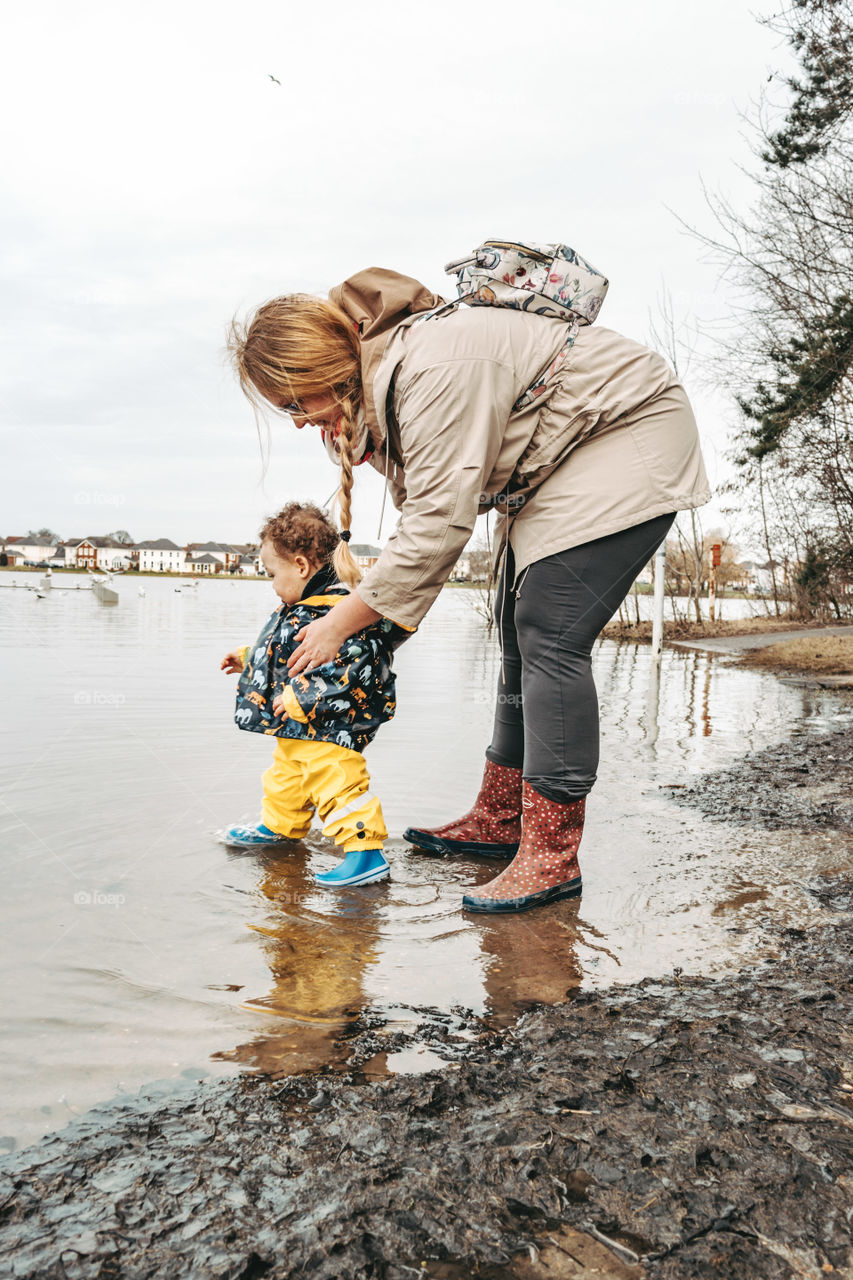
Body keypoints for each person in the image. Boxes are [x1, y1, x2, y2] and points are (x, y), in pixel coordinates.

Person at [227, 255, 710, 913]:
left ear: (322, 368)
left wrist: (343, 622)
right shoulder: (388, 377)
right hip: (557, 463)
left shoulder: (430, 367)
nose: (295, 421)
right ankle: (499, 818)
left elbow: (437, 523)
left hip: (624, 436)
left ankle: (549, 856)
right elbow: (429, 503)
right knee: (516, 630)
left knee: (550, 631)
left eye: (294, 402)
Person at [221, 501, 405, 888]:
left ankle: (365, 853)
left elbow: (351, 670)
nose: (271, 583)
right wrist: (248, 659)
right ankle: (281, 827)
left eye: (273, 573)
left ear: (302, 566)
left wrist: (299, 698)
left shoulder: (342, 613)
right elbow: (286, 652)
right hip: (296, 730)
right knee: (285, 778)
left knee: (337, 783)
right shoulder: (302, 607)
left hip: (331, 729)